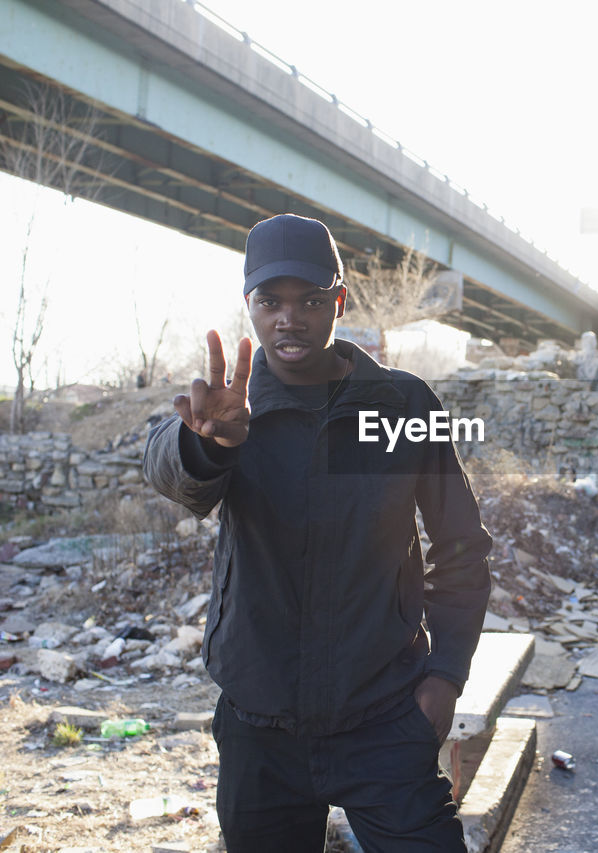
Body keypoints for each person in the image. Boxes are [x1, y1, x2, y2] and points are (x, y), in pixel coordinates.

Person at [143, 213, 492, 852]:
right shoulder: (233, 412)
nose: (289, 318)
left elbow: (461, 546)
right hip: (260, 730)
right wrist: (208, 446)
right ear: (250, 306)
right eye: (269, 301)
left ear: (339, 301)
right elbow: (169, 465)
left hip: (384, 719)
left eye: (309, 300)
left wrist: (444, 677)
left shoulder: (401, 407)